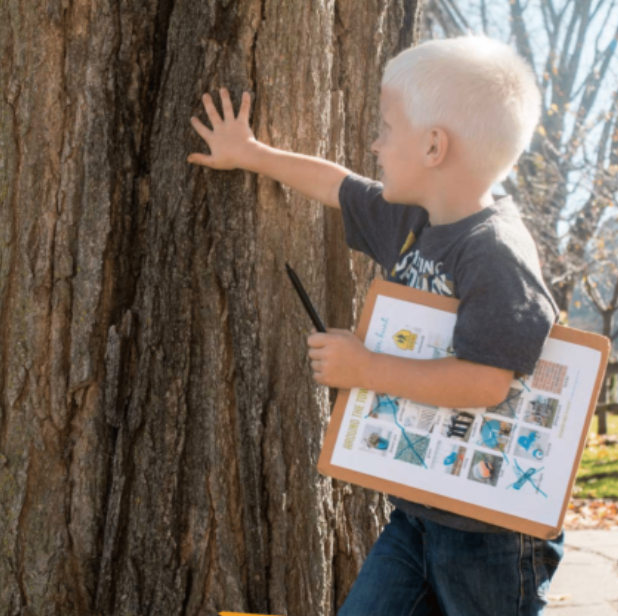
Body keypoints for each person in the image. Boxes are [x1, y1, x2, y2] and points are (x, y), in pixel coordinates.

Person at [188, 33, 564, 616]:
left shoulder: (495, 253)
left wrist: (365, 368)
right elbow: (338, 185)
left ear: (435, 146)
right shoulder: (413, 218)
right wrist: (251, 153)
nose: (375, 144)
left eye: (387, 129)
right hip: (417, 513)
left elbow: (486, 382)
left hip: (492, 532)